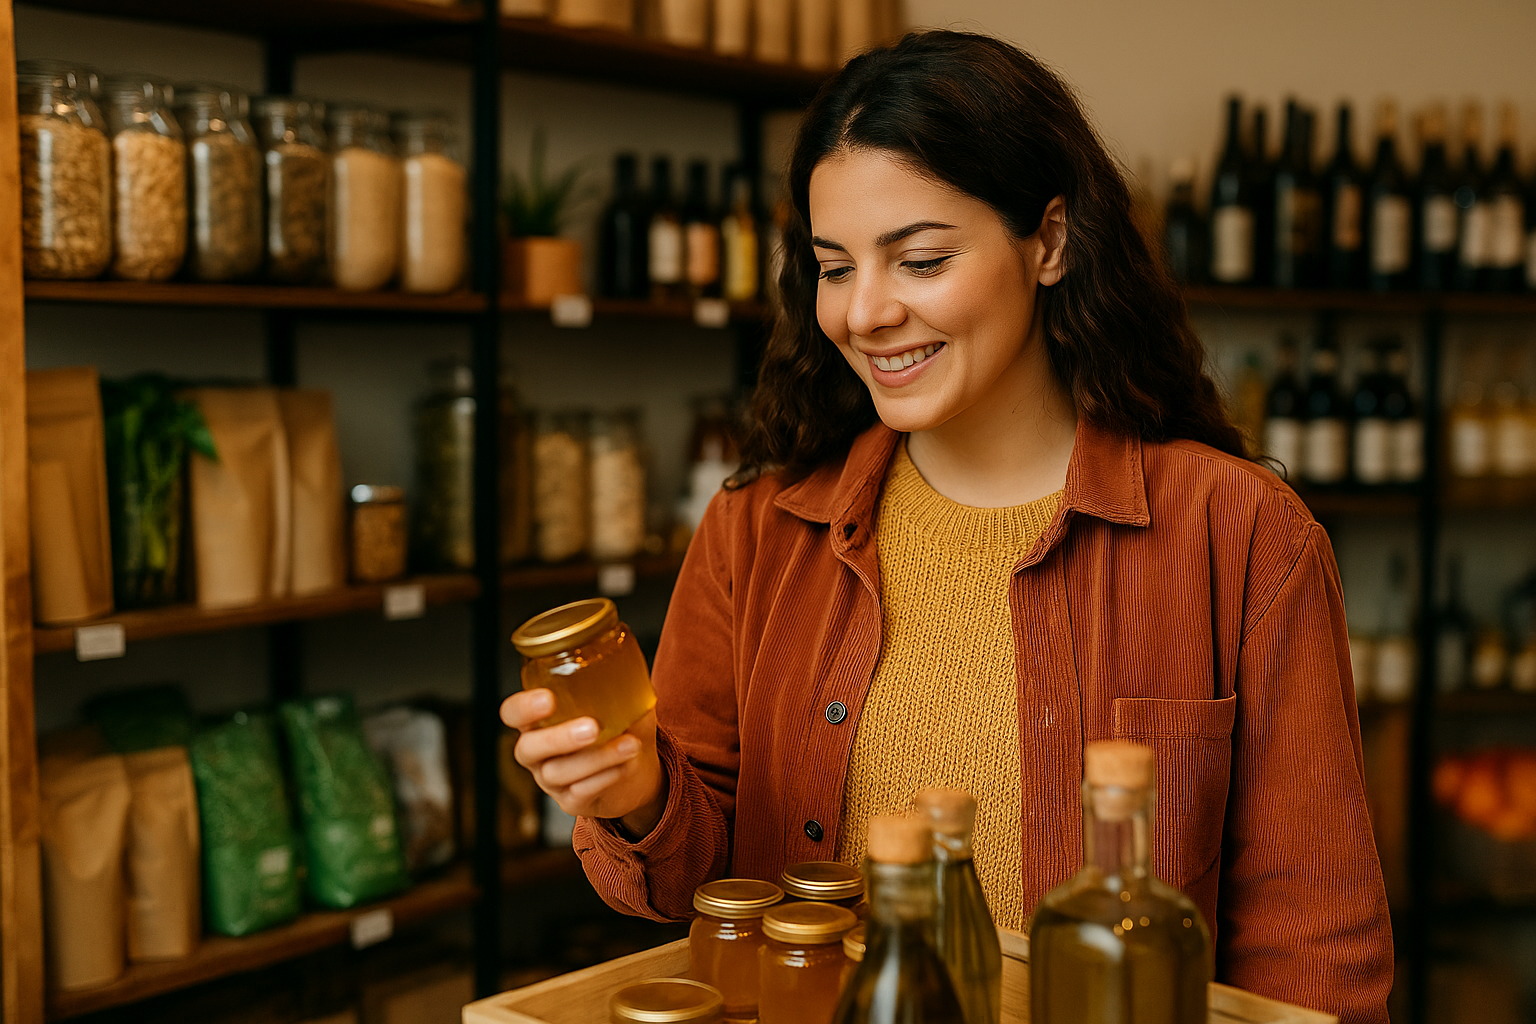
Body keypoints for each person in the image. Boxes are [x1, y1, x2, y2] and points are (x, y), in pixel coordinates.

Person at [503, 30, 1392, 1023]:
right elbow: (689, 886)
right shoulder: (756, 529)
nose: (866, 313)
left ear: (1050, 241)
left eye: (920, 260)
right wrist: (636, 787)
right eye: (834, 267)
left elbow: (1314, 950)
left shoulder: (1240, 534)